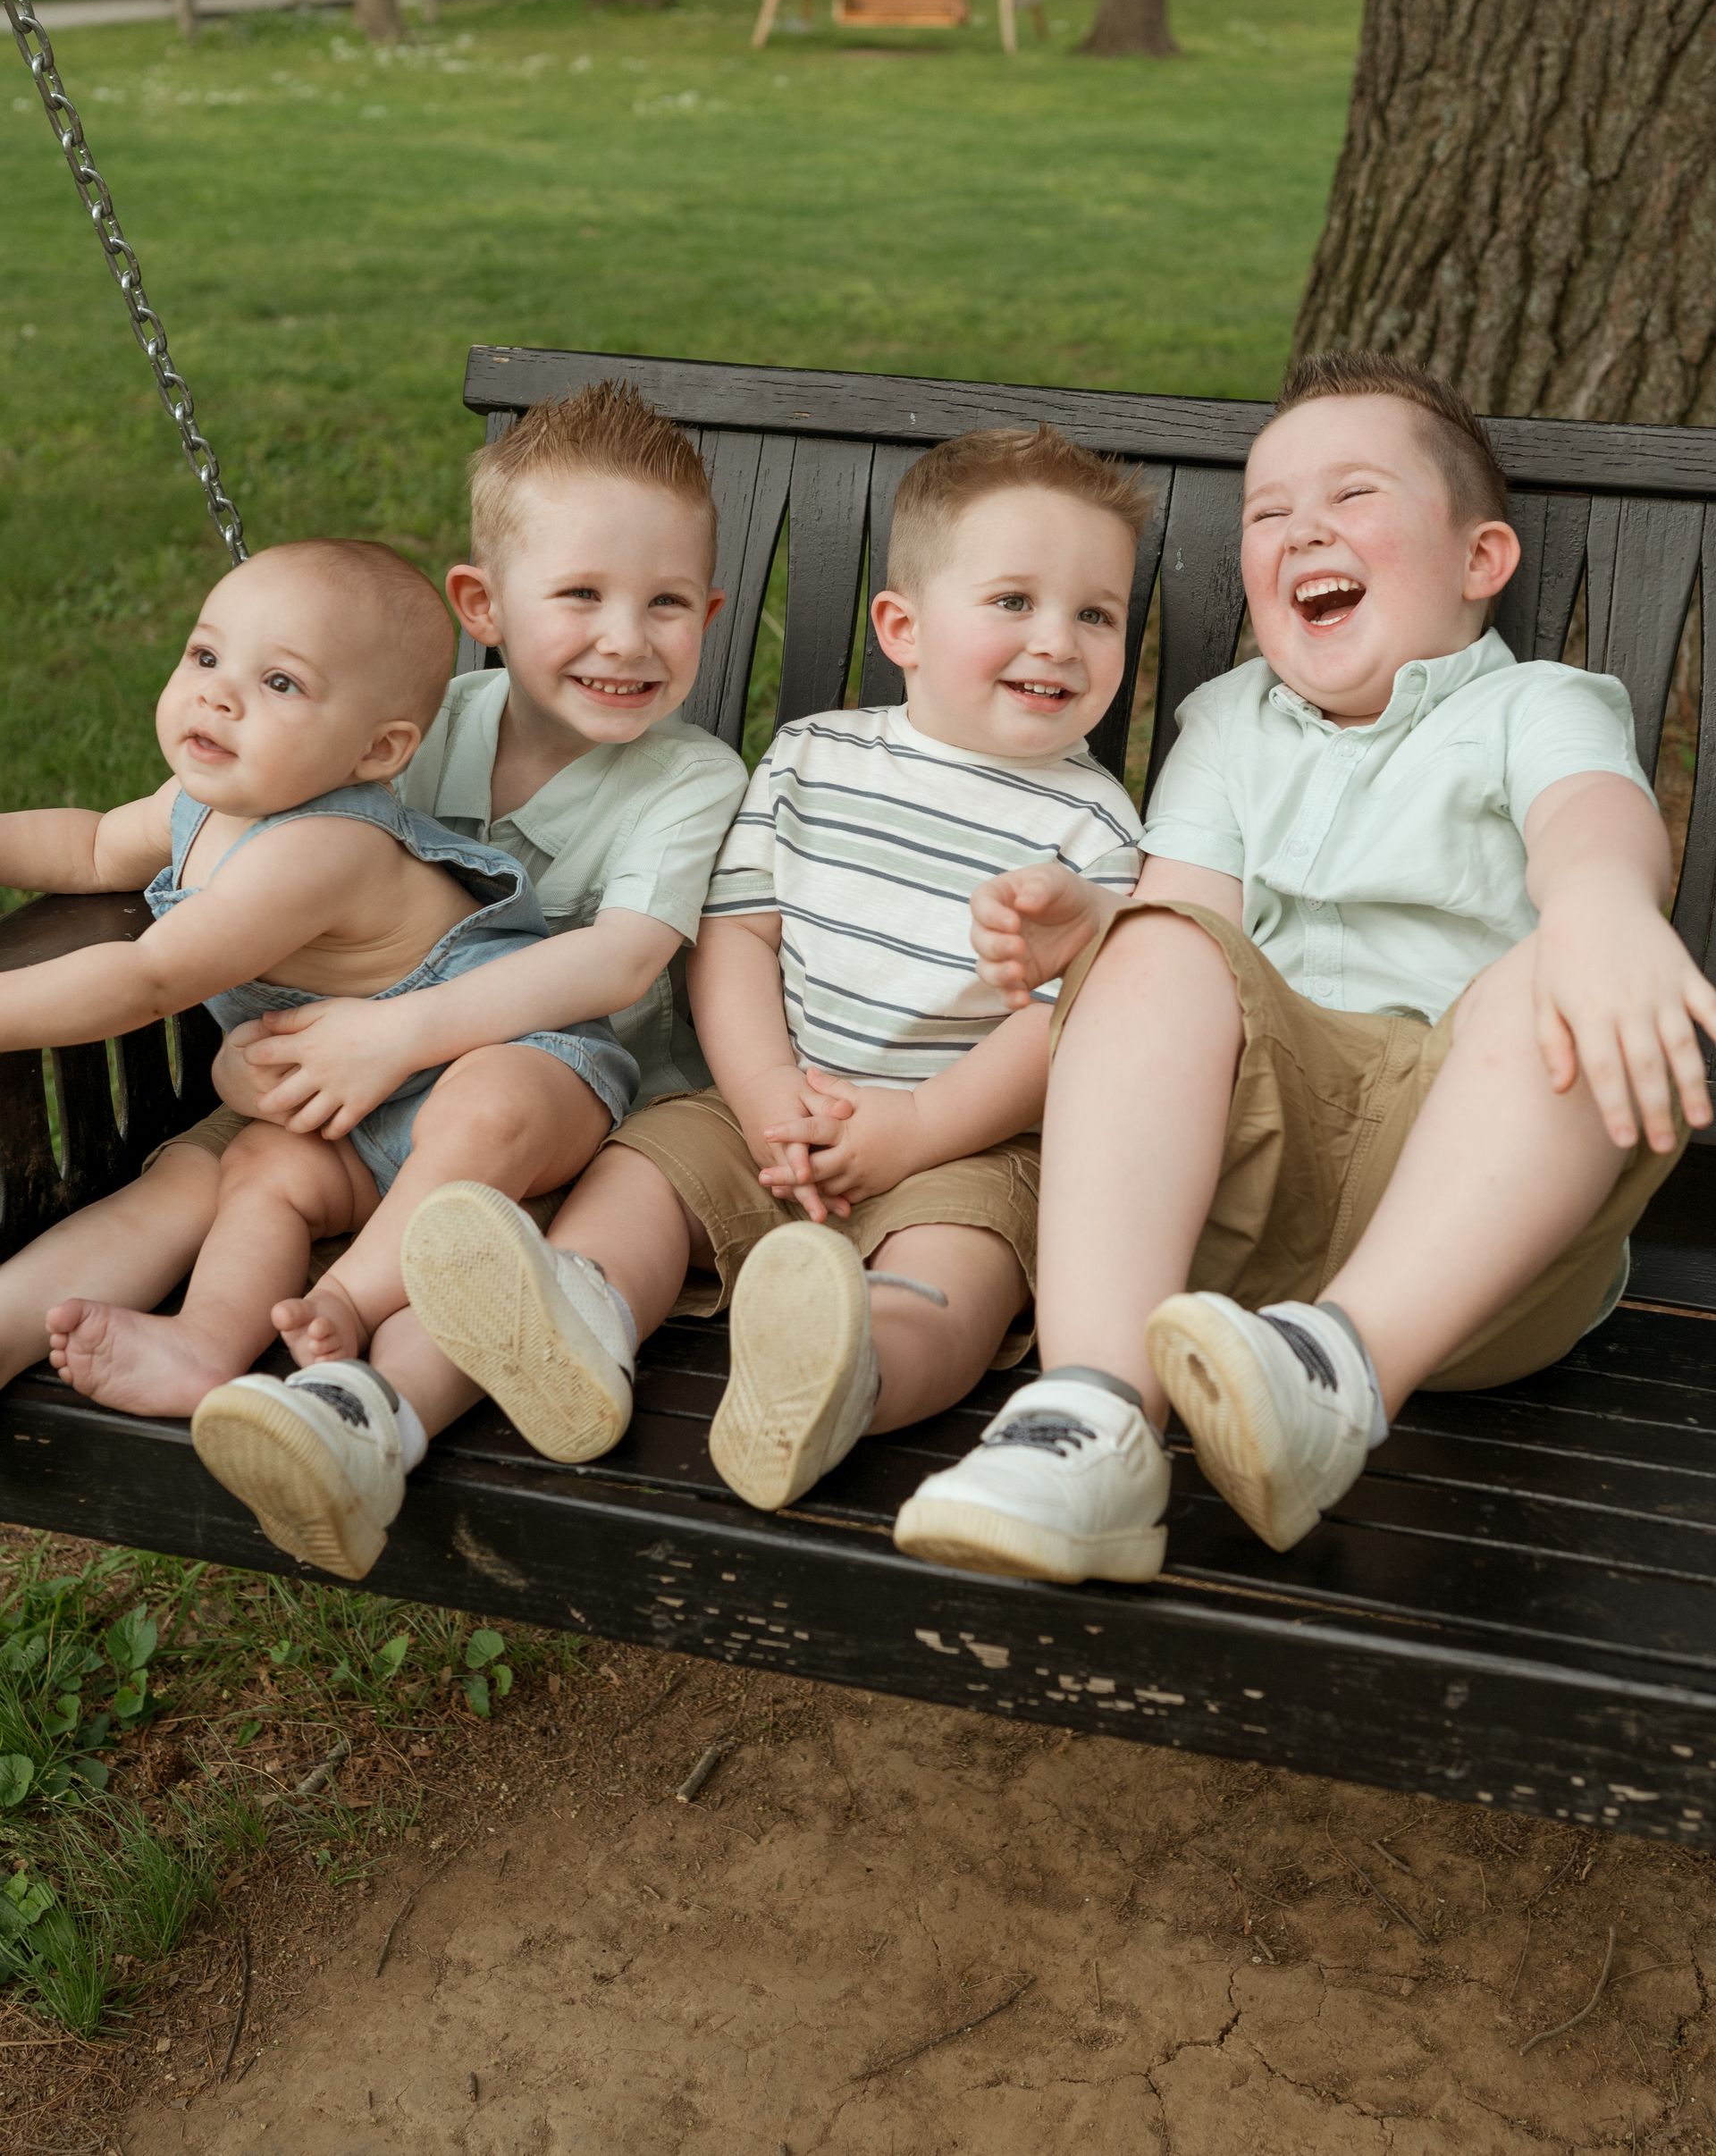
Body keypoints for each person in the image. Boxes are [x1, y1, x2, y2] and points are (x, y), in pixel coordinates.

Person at [893, 352, 1713, 1586]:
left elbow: (1591, 820)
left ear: (1481, 561)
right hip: (1248, 1208)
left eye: (1353, 497)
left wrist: (1602, 905)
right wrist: (1100, 937)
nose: (1301, 529)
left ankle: (1343, 1368)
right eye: (1267, 513)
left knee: (1567, 971)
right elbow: (1187, 947)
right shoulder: (1228, 724)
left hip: (1483, 1214)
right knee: (1161, 942)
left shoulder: (1530, 705)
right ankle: (1092, 1420)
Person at [397, 423, 1150, 1514]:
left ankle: (841, 1379)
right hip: (769, 1102)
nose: (1060, 642)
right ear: (902, 625)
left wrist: (916, 1131)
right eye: (1013, 603)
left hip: (966, 1138)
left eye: (1098, 614)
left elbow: (1062, 1021)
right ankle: (580, 1319)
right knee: (643, 1177)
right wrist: (760, 1098)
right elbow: (740, 936)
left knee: (958, 1276)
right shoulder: (813, 759)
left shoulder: (1099, 828)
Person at [183, 383, 750, 1574]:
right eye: (582, 594)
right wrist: (238, 1044)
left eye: (664, 604)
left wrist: (402, 1036)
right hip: (390, 1121)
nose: (626, 638)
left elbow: (624, 954)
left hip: (599, 1118)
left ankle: (346, 1356)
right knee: (295, 1179)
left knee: (489, 1207)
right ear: (482, 606)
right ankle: (356, 1416)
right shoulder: (409, 729)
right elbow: (261, 877)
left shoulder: (690, 775)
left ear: (707, 612)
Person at [0, 540, 635, 1475]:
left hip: (523, 1065)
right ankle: (204, 1344)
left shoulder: (323, 847)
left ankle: (350, 1297)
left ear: (377, 752)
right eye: (206, 657)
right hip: (352, 1116)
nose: (219, 695)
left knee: (484, 1105)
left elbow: (147, 981)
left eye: (281, 684)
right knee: (257, 1168)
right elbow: (93, 848)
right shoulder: (199, 803)